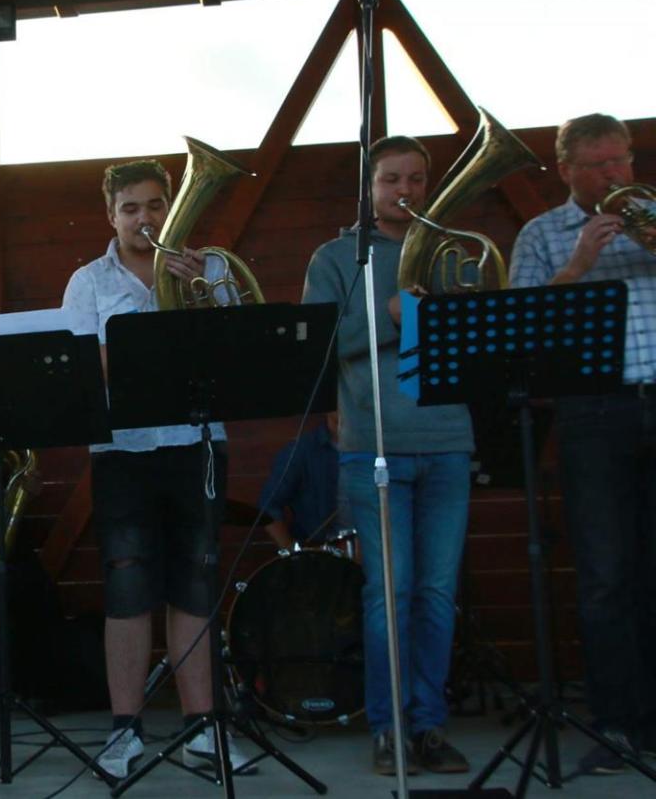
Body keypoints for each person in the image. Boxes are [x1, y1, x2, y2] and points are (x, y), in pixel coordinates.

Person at [61, 158, 254, 779]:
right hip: (123, 450)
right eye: (130, 208)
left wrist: (205, 299)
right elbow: (86, 368)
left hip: (197, 441)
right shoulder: (88, 281)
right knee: (126, 590)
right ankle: (125, 731)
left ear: (170, 207)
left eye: (154, 205)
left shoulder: (210, 269)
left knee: (195, 584)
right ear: (111, 216)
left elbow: (242, 349)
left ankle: (202, 728)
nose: (143, 218)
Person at [301, 135, 473, 776]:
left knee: (436, 593)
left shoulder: (453, 252)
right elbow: (316, 344)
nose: (405, 190)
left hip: (448, 441)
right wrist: (392, 315)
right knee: (389, 596)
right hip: (372, 446)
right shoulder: (337, 257)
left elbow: (480, 340)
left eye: (417, 178)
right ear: (368, 189)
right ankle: (387, 728)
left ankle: (429, 725)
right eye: (391, 179)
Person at [508, 113, 656, 775]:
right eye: (598, 165)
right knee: (605, 576)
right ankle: (617, 723)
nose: (614, 174)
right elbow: (520, 331)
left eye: (622, 160)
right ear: (566, 169)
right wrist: (578, 265)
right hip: (594, 413)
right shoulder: (542, 234)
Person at [257, 412, 341, 550]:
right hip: (321, 552)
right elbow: (268, 506)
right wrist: (292, 551)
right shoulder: (301, 450)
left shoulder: (374, 447)